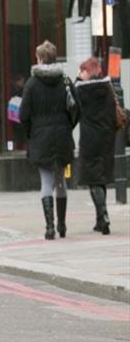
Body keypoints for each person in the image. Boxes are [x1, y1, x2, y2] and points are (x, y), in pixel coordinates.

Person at [20, 40, 77, 240]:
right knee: (60, 180)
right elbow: (76, 108)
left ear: (40, 58)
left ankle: (49, 227)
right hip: (62, 136)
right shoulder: (65, 81)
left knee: (46, 181)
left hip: (41, 137)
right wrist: (68, 126)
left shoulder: (32, 83)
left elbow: (23, 114)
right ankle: (62, 225)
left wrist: (31, 133)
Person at [74, 57, 116, 234]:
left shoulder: (82, 90)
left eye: (82, 70)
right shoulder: (108, 88)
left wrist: (77, 79)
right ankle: (100, 219)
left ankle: (103, 214)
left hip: (89, 138)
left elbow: (73, 106)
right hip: (106, 137)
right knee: (101, 177)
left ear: (86, 72)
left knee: (93, 178)